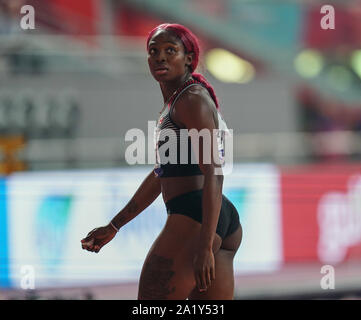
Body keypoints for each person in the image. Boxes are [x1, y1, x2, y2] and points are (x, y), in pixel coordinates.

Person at [81, 23, 242, 300]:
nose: (160, 57)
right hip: (216, 221)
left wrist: (203, 248)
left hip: (196, 217)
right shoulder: (179, 101)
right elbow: (161, 174)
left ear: (189, 58)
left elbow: (214, 174)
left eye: (170, 50)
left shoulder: (190, 99)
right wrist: (115, 225)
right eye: (153, 51)